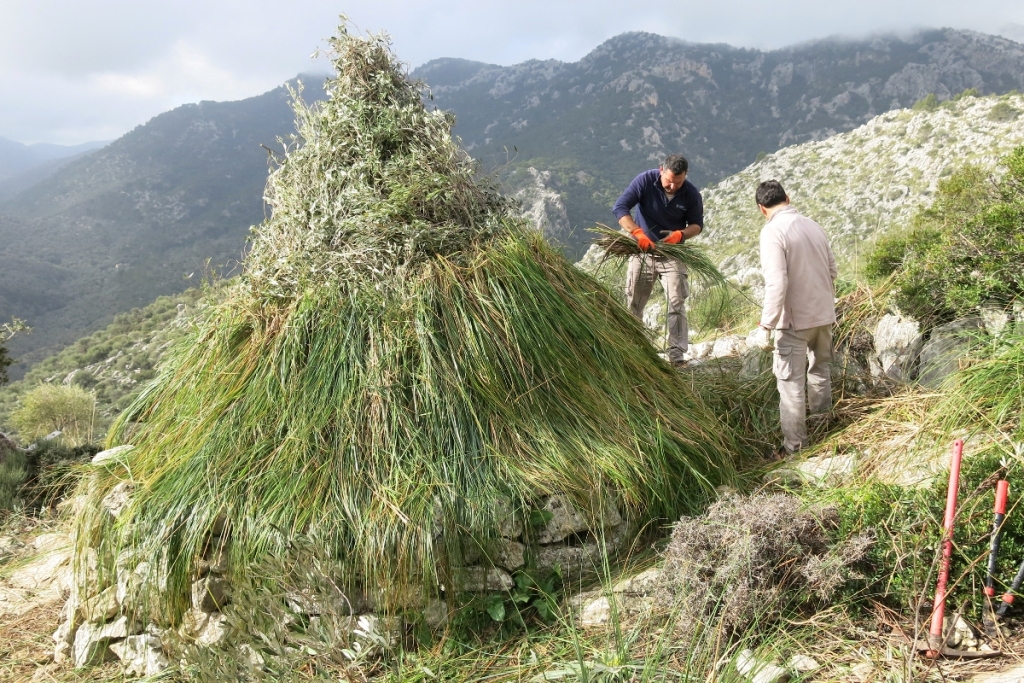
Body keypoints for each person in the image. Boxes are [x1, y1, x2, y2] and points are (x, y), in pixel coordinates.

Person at [754, 179, 837, 455]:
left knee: (790, 384)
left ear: (762, 209)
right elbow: (832, 271)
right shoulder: (814, 226)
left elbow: (777, 283)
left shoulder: (772, 232)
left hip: (794, 322)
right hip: (824, 316)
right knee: (820, 371)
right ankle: (825, 430)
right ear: (787, 198)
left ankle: (796, 448)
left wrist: (766, 324)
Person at [612, 154, 703, 366]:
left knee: (676, 303)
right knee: (634, 302)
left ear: (685, 176)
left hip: (672, 254)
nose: (672, 186)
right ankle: (635, 352)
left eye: (677, 182)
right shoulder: (644, 181)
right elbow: (620, 208)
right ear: (661, 170)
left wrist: (680, 235)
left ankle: (677, 356)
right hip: (642, 252)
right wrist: (637, 233)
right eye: (668, 180)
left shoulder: (691, 193)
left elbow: (697, 224)